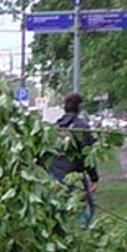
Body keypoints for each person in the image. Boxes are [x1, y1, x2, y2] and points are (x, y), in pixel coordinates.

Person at [48, 92, 99, 222]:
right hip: (74, 175)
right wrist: (94, 177)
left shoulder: (56, 127)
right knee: (84, 209)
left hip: (55, 174)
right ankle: (80, 232)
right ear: (79, 108)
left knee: (60, 208)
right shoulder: (82, 128)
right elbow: (87, 155)